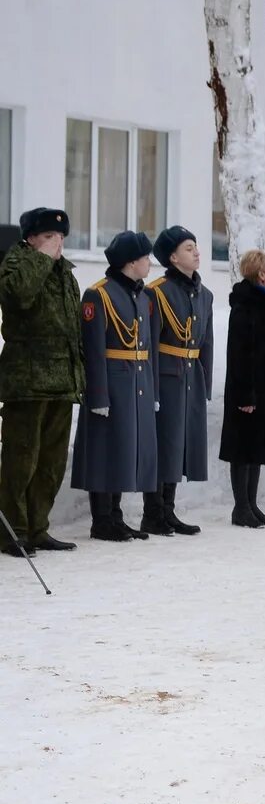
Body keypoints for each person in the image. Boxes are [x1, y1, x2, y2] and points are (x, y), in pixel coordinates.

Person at [0, 208, 84, 556]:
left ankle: (38, 528)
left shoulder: (66, 274)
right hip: (28, 379)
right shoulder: (16, 263)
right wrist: (42, 260)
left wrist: (78, 375)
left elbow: (72, 330)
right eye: (50, 237)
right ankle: (12, 532)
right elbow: (18, 296)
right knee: (21, 460)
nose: (57, 244)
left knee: (51, 463)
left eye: (61, 238)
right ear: (32, 237)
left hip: (62, 380)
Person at [71, 231, 158, 540]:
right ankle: (102, 519)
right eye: (145, 258)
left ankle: (116, 516)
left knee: (125, 448)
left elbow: (149, 350)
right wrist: (97, 394)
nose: (150, 263)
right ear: (130, 262)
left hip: (136, 380)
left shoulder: (143, 296)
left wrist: (153, 391)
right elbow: (93, 350)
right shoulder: (99, 295)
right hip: (112, 380)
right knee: (104, 449)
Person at [142, 226, 213, 537]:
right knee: (164, 443)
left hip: (189, 376)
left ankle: (168, 510)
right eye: (188, 248)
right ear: (172, 257)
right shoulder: (155, 293)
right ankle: (153, 513)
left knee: (180, 444)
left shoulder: (205, 294)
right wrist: (152, 388)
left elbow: (205, 343)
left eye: (195, 246)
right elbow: (151, 344)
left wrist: (204, 382)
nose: (196, 252)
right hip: (166, 376)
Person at [220, 249, 265, 527]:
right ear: (261, 274)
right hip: (249, 390)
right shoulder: (246, 307)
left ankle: (251, 503)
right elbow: (240, 354)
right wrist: (245, 393)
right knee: (244, 449)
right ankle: (241, 507)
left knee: (258, 447)